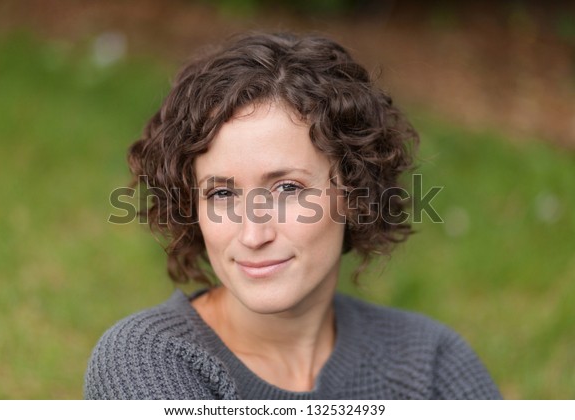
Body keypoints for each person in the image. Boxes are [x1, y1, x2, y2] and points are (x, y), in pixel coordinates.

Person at [84, 32, 501, 399]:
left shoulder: (430, 364)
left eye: (288, 189)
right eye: (222, 193)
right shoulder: (145, 362)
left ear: (356, 193)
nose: (254, 233)